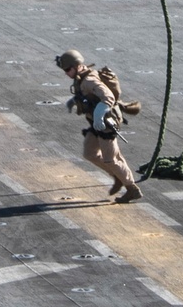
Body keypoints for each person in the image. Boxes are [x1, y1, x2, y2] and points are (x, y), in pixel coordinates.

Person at [55, 50, 142, 203]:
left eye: (68, 69)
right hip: (95, 124)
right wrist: (74, 101)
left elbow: (108, 97)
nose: (66, 73)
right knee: (89, 153)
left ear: (77, 66)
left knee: (112, 159)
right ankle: (118, 176)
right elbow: (85, 96)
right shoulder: (81, 78)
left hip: (106, 124)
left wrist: (99, 115)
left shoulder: (90, 80)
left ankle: (132, 188)